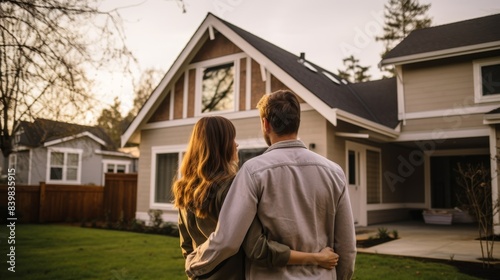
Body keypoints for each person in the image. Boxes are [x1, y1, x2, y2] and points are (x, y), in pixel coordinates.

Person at [185, 90, 357, 279]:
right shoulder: (335, 172)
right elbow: (347, 249)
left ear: (266, 124)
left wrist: (195, 265)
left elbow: (229, 240)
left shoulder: (252, 172)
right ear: (297, 122)